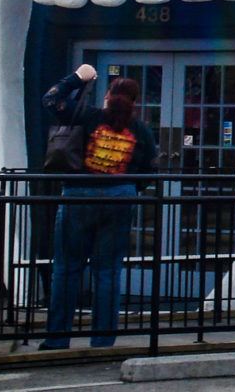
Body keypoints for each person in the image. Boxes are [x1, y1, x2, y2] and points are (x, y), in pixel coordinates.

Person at [40, 64, 158, 349]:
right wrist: (127, 189)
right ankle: (103, 339)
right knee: (108, 272)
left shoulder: (85, 116)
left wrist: (78, 78)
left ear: (106, 95)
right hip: (119, 199)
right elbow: (149, 171)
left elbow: (51, 99)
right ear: (135, 101)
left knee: (67, 269)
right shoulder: (141, 131)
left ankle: (57, 338)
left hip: (78, 197)